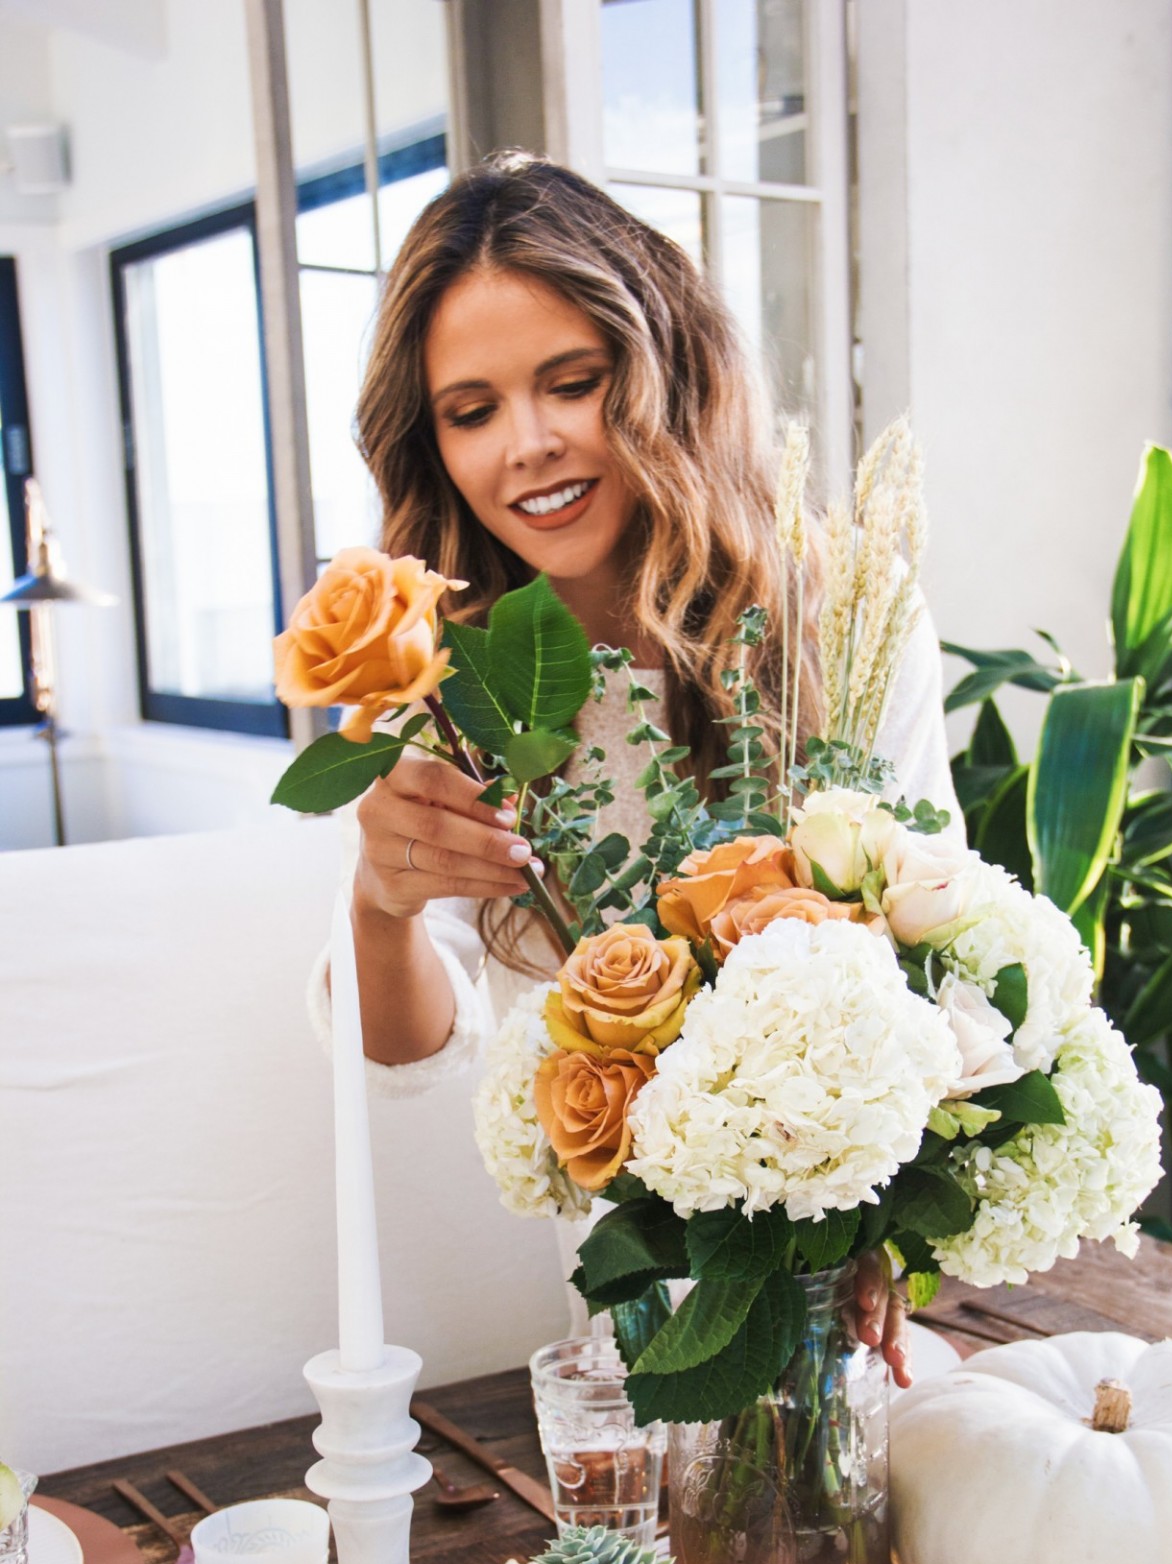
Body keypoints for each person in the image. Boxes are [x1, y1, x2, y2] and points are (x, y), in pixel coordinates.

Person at [312, 152, 957, 1383]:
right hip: (627, 1338)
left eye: (573, 382)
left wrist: (880, 1223)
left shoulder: (837, 621)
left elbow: (939, 944)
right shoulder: (442, 680)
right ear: (430, 440)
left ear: (665, 368)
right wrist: (378, 903)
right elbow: (403, 1063)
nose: (529, 445)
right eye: (472, 410)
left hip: (846, 1307)